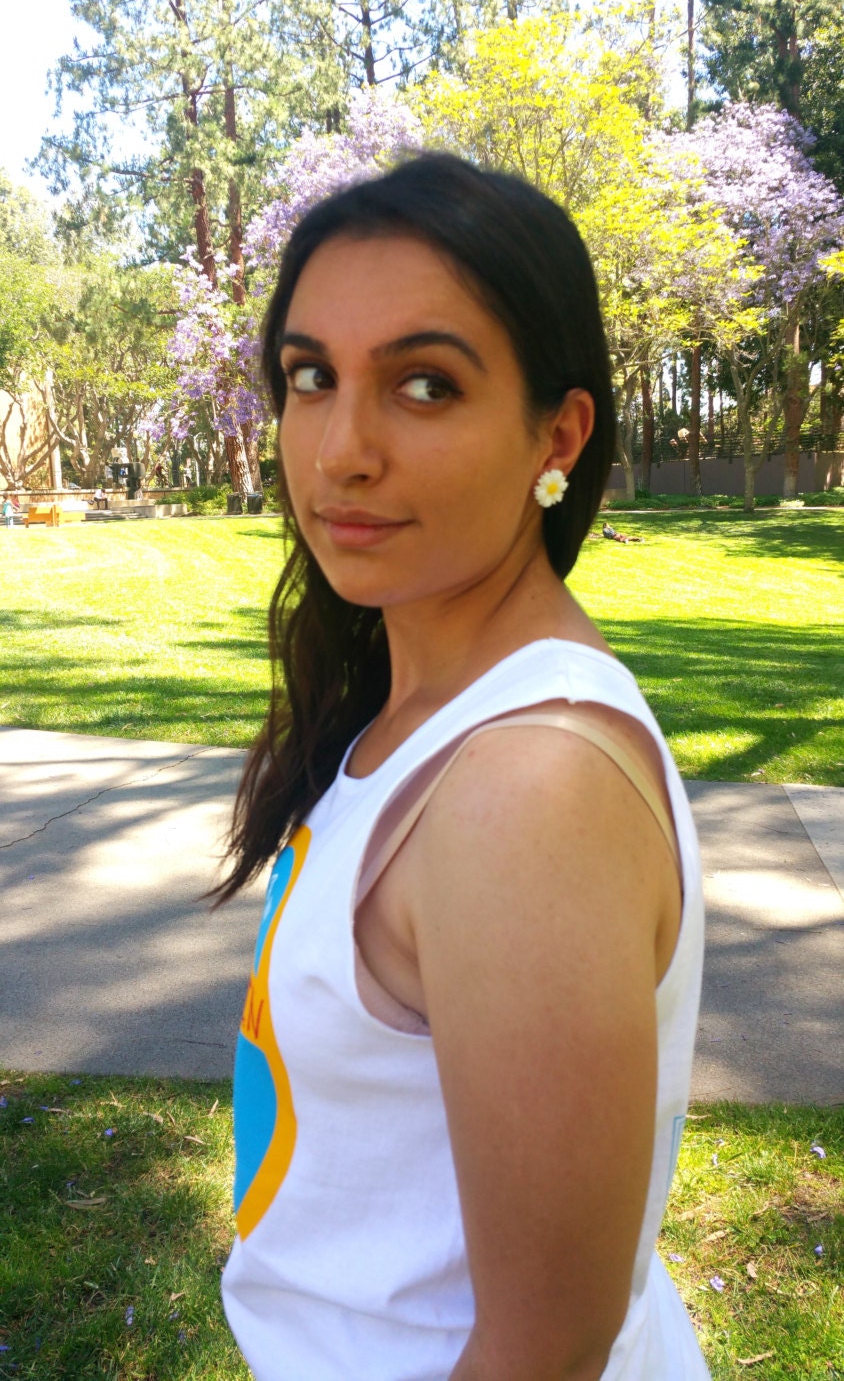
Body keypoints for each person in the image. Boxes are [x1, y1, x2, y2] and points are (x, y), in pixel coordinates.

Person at [216, 154, 710, 1381]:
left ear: (559, 432)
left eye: (424, 386)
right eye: (310, 377)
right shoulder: (422, 705)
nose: (340, 450)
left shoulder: (523, 791)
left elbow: (542, 1353)